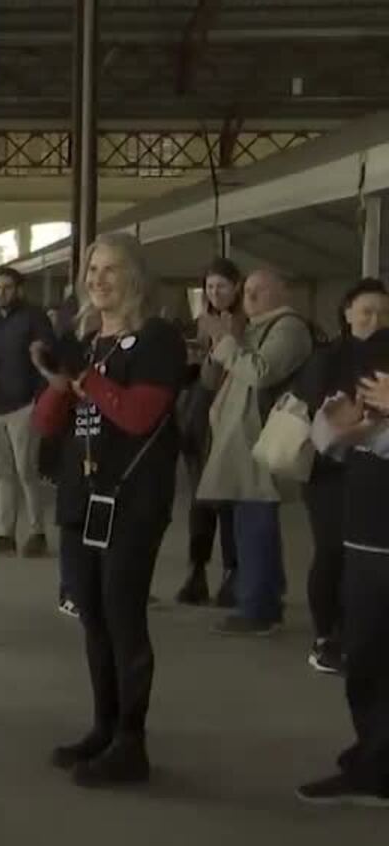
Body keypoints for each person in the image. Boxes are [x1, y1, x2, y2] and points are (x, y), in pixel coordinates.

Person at [31, 233, 185, 787]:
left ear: (136, 278)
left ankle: (131, 741)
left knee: (123, 617)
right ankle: (104, 726)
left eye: (110, 269)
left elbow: (139, 416)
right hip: (83, 495)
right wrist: (61, 382)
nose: (98, 280)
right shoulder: (89, 343)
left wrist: (86, 377)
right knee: (92, 615)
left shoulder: (158, 340)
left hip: (132, 498)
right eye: (92, 270)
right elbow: (46, 423)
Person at [197, 266, 316, 637]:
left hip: (259, 441)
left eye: (258, 291)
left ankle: (258, 608)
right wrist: (218, 342)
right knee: (249, 524)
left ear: (282, 291)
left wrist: (227, 342)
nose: (249, 298)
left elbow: (262, 372)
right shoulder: (249, 329)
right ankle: (263, 599)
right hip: (239, 443)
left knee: (255, 526)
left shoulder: (288, 328)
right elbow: (209, 380)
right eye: (247, 291)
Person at [296, 335, 389, 807]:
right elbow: (329, 447)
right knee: (365, 660)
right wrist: (342, 426)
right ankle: (373, 765)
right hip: (363, 541)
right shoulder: (364, 373)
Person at [297, 280, 389, 675]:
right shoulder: (328, 357)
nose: (375, 320)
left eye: (384, 313)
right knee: (332, 551)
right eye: (367, 311)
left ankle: (357, 635)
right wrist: (355, 422)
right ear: (348, 313)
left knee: (363, 562)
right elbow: (321, 424)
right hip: (330, 474)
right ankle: (326, 634)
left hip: (373, 475)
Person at [174, 259, 243, 607]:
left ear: (237, 287)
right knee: (201, 499)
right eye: (211, 287)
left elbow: (224, 373)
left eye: (222, 286)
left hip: (231, 416)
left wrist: (218, 348)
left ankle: (233, 572)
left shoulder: (244, 324)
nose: (216, 293)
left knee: (228, 498)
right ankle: (197, 570)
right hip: (199, 417)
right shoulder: (199, 322)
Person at [0, 266, 57, 557]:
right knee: (3, 472)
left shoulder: (34, 317)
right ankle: (4, 532)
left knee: (26, 471)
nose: (2, 293)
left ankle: (37, 532)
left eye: (8, 287)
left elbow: (48, 352)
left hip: (24, 404)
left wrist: (39, 393)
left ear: (19, 290)